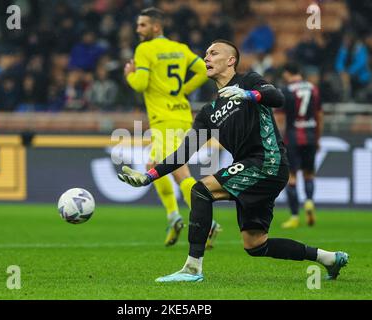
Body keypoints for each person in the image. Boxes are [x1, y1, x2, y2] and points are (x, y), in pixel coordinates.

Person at [118, 39, 348, 282]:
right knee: (255, 245)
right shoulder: (208, 113)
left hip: (267, 161)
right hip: (253, 168)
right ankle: (329, 258)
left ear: (231, 61)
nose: (206, 58)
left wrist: (249, 95)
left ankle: (192, 268)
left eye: (213, 53)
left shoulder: (248, 81)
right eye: (205, 54)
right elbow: (183, 153)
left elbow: (277, 97)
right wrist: (148, 177)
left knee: (201, 190)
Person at [124, 7, 221, 247]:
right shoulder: (180, 49)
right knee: (154, 166)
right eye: (138, 25)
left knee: (179, 172)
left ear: (156, 27)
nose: (138, 30)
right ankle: (174, 216)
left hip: (164, 119)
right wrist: (183, 91)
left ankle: (205, 222)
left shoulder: (145, 49)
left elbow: (140, 83)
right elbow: (204, 70)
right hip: (181, 115)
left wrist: (129, 74)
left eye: (143, 25)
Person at [275, 63, 323, 229]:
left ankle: (294, 217)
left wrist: (279, 139)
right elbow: (319, 115)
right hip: (310, 136)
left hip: (293, 138)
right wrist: (317, 138)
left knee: (292, 177)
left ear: (287, 74)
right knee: (309, 174)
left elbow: (280, 119)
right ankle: (309, 202)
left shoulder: (286, 90)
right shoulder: (313, 89)